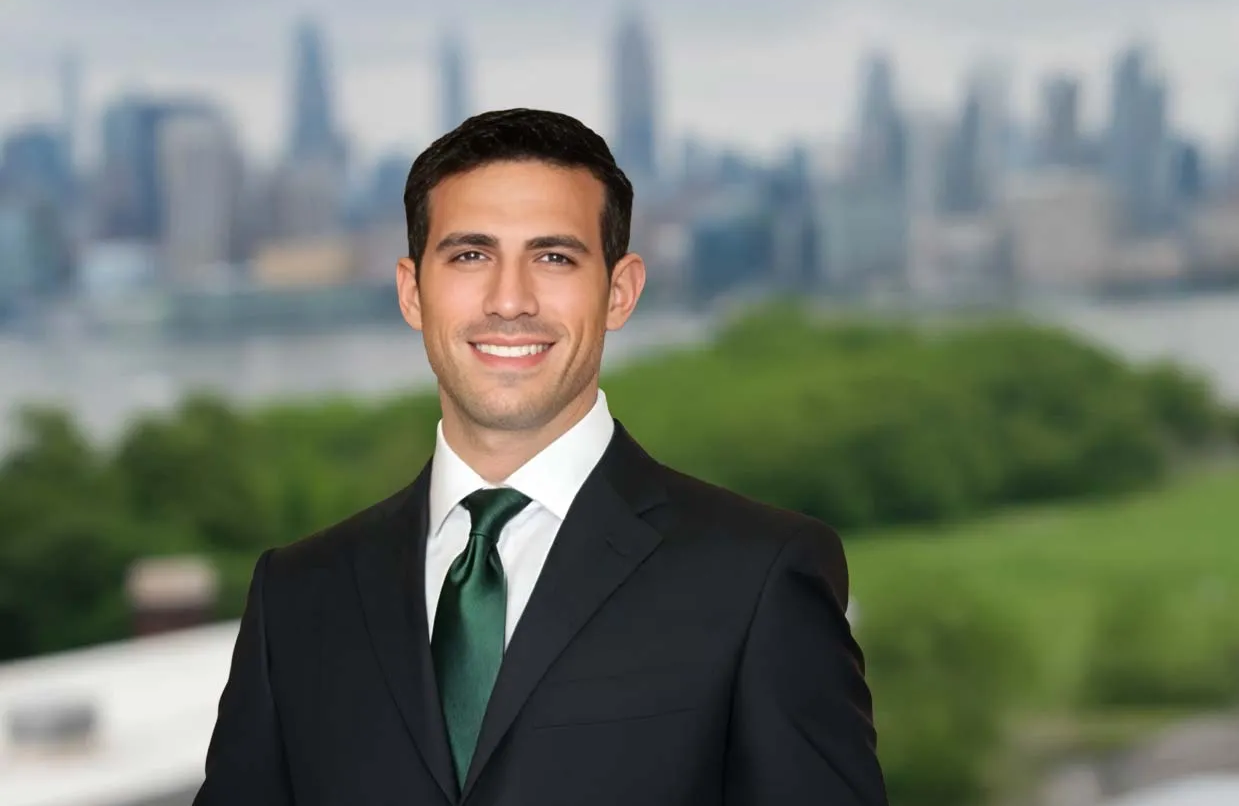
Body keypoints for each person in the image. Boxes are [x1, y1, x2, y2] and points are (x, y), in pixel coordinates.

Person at [194, 108, 887, 805]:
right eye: (470, 255)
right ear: (412, 290)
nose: (510, 300)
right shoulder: (297, 597)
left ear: (620, 291)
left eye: (554, 257)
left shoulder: (759, 578)